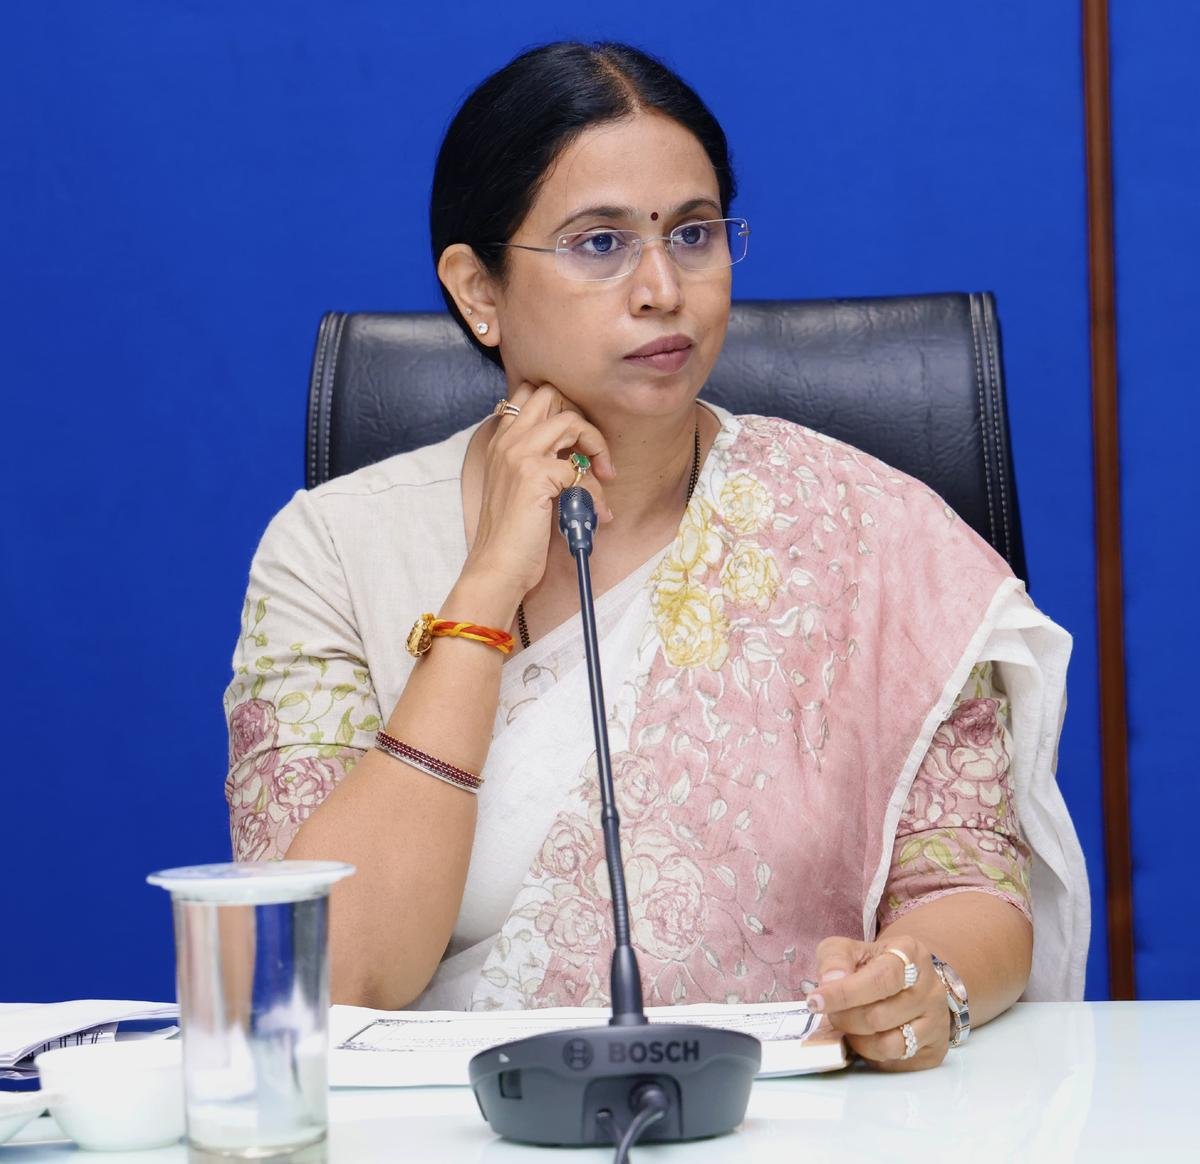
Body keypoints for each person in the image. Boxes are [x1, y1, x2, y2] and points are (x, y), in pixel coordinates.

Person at [224, 41, 1089, 1071]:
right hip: (446, 1124)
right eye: (599, 243)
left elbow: (968, 888)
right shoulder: (331, 549)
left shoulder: (871, 532)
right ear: (478, 289)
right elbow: (323, 979)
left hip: (788, 1116)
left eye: (694, 233)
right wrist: (485, 593)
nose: (662, 287)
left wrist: (915, 980)